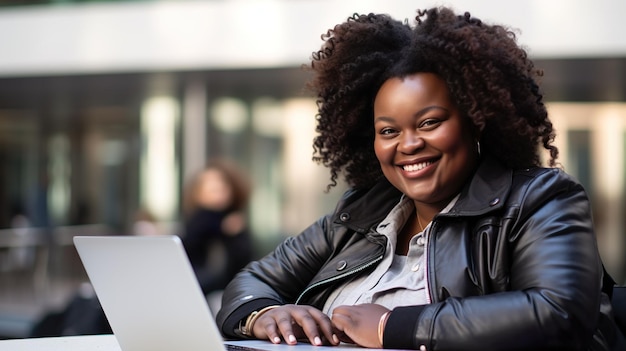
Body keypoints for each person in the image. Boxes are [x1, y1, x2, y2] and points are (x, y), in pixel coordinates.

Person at [216, 6, 624, 351]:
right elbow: (252, 281)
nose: (408, 144)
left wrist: (391, 327)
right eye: (389, 131)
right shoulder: (359, 216)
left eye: (429, 122)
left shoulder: (540, 199)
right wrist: (266, 315)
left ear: (476, 123)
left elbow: (559, 310)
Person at [181, 158, 253, 296]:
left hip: (226, 288)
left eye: (220, 188)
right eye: (210, 188)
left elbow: (243, 260)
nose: (215, 193)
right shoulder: (199, 220)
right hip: (199, 285)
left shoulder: (234, 220)